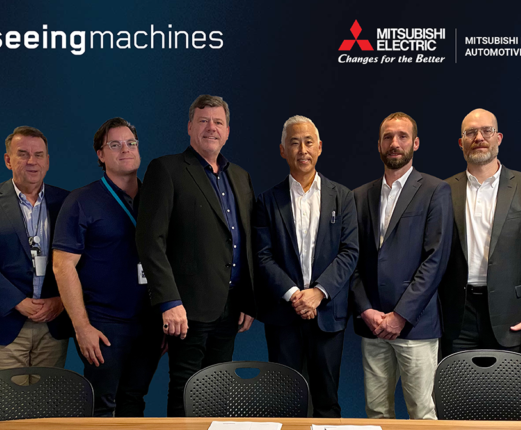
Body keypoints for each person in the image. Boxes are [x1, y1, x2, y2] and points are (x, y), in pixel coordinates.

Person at [136, 95, 256, 417]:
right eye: (203, 121)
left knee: (220, 391)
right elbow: (150, 240)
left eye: (217, 122)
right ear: (190, 127)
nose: (211, 128)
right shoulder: (167, 169)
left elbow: (245, 241)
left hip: (231, 307)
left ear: (228, 131)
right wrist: (169, 301)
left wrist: (247, 297)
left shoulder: (240, 177)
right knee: (186, 391)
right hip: (186, 309)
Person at [53, 118, 161, 416]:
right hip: (103, 324)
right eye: (114, 145)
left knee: (134, 401)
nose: (125, 149)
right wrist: (82, 327)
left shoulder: (156, 197)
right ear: (101, 154)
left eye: (131, 143)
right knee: (102, 407)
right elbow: (63, 267)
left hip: (149, 322)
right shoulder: (82, 201)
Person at [254, 115, 358, 417]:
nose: (302, 149)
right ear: (283, 150)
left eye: (308, 142)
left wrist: (318, 293)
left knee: (327, 402)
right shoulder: (267, 201)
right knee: (284, 402)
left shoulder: (343, 197)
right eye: (294, 142)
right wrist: (295, 295)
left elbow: (350, 252)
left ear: (320, 147)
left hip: (328, 315)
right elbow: (263, 255)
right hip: (283, 315)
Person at [351, 112, 452, 419]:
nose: (394, 143)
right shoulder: (359, 196)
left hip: (416, 324)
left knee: (422, 413)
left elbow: (435, 260)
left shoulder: (435, 190)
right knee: (377, 412)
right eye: (387, 137)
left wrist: (400, 316)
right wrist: (367, 311)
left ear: (416, 143)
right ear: (378, 145)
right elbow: (350, 260)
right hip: (372, 324)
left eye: (402, 136)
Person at [0, 126, 71, 383]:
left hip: (53, 323)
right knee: (8, 411)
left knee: (49, 409)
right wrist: (17, 302)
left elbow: (82, 260)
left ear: (48, 161)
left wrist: (61, 301)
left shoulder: (68, 201)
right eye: (23, 154)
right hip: (4, 322)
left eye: (39, 154)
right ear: (8, 160)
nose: (32, 161)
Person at [439, 108, 521, 356]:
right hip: (458, 314)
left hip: (512, 313)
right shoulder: (443, 190)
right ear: (461, 143)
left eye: (486, 131)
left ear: (498, 138)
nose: (479, 137)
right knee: (459, 392)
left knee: (507, 392)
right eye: (471, 132)